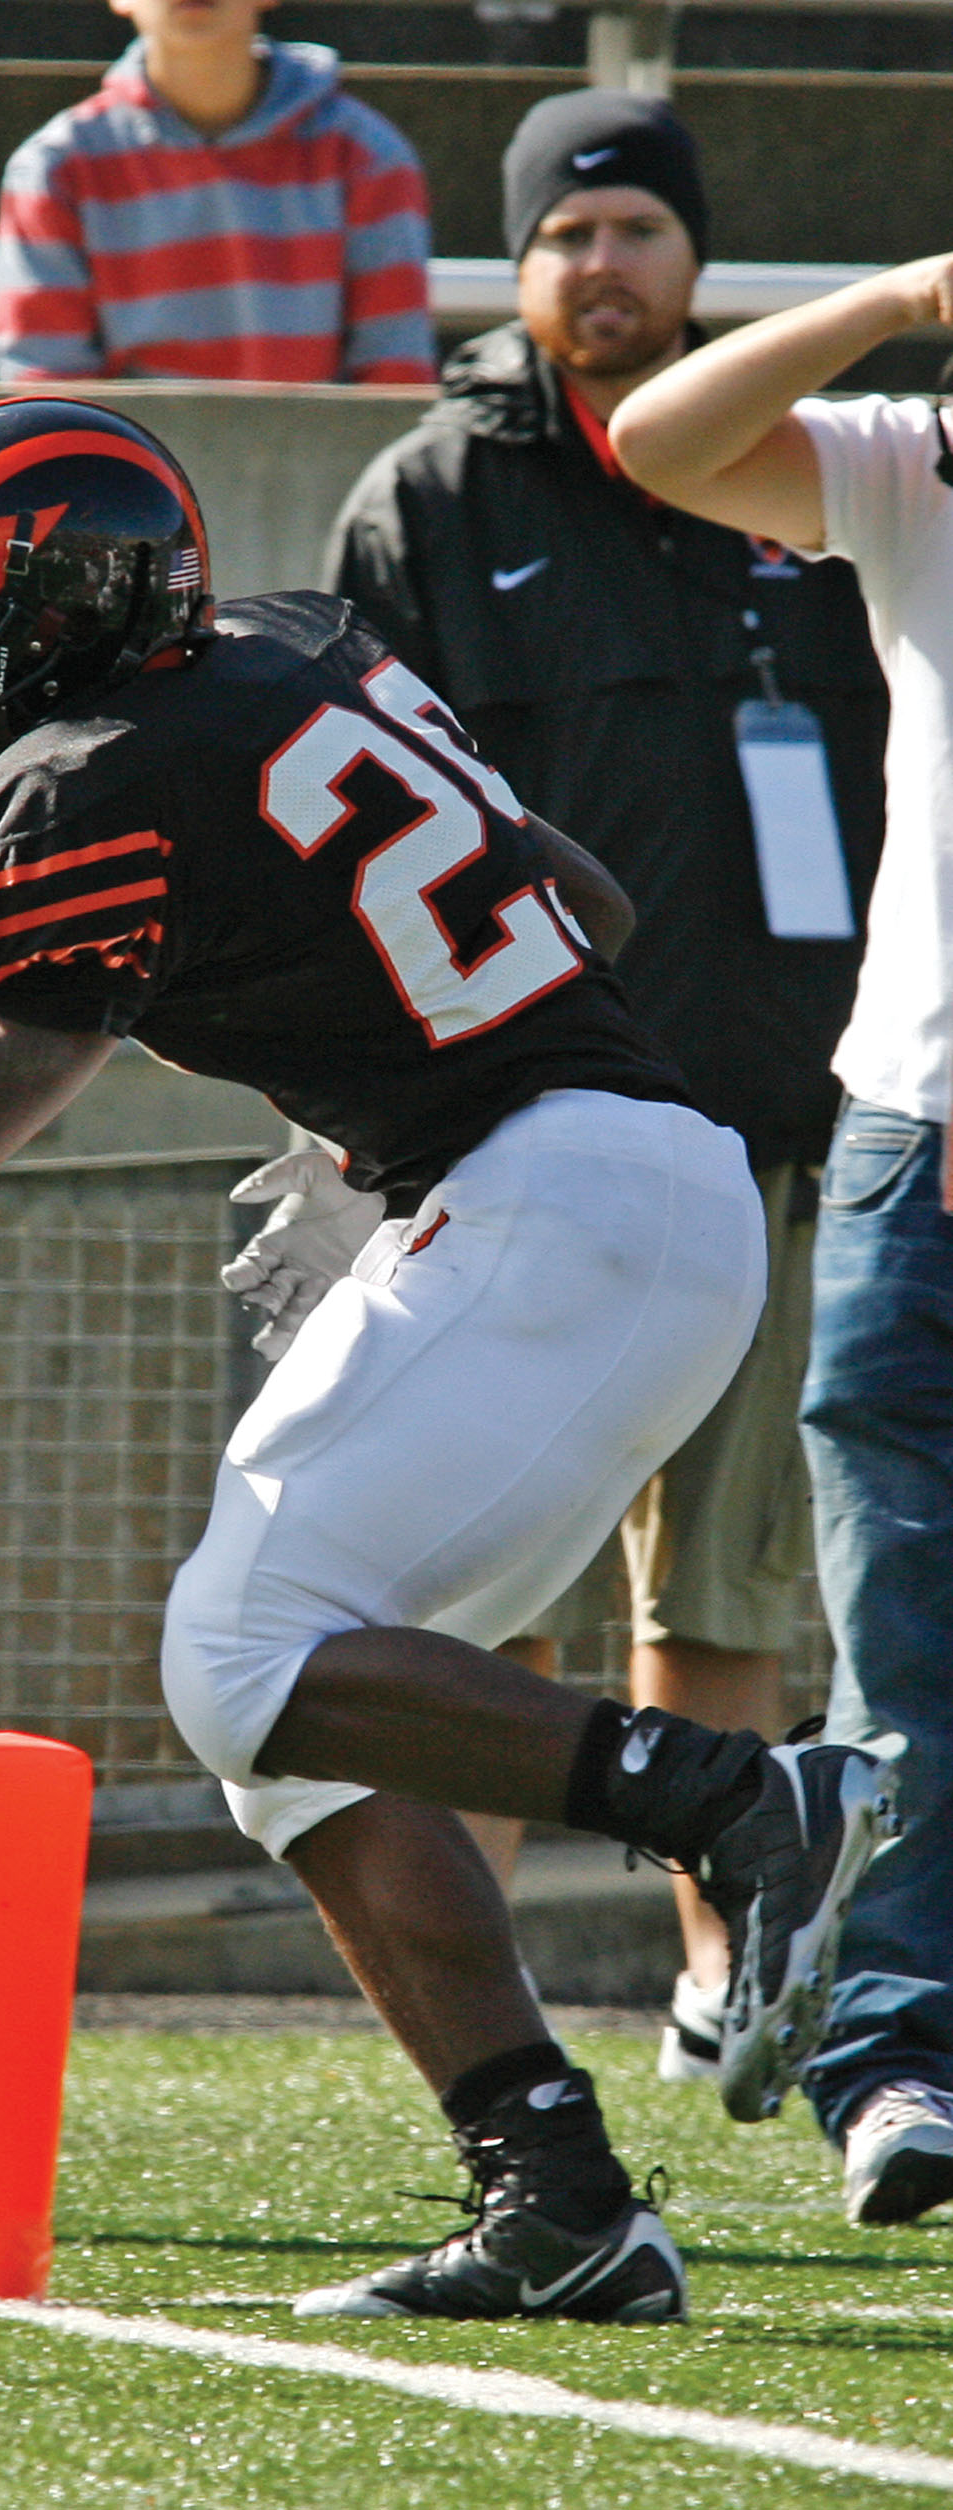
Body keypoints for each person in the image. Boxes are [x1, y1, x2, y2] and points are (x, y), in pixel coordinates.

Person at [0, 394, 897, 2320]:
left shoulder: (97, 778)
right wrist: (372, 1105)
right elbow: (584, 902)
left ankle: (743, 1804)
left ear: (59, 612)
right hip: (623, 1196)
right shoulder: (287, 648)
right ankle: (558, 2200)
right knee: (287, 1722)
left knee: (245, 1653)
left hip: (560, 1208)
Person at [327, 90, 887, 2084]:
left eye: (639, 229)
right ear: (513, 268)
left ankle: (716, 1983)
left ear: (700, 260)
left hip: (774, 1128)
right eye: (565, 238)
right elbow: (341, 823)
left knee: (719, 1594)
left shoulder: (810, 483)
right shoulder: (431, 502)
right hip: (514, 1143)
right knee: (491, 1606)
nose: (603, 267)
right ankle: (479, 2019)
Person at [613, 255, 953, 2227]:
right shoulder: (922, 466)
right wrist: (904, 291)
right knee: (901, 1640)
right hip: (920, 1136)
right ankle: (897, 2054)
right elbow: (659, 438)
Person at [0, 0, 434, 386]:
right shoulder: (54, 168)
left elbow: (394, 377)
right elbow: (46, 385)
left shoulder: (366, 155)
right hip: (123, 474)